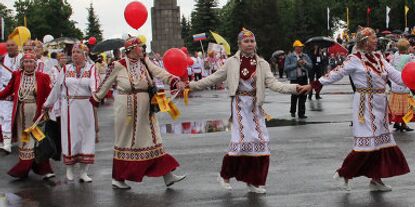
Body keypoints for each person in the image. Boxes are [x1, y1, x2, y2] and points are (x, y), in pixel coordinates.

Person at [187, 28, 302, 194]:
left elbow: (275, 84)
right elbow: (213, 78)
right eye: (246, 41)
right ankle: (224, 175)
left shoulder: (262, 64)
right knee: (241, 142)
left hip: (255, 105)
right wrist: (190, 85)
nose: (250, 44)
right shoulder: (231, 62)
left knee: (260, 141)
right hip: (239, 103)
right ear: (239, 44)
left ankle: (253, 180)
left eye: (252, 41)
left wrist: (295, 88)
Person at [301, 27, 410, 192]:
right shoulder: (354, 59)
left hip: (381, 103)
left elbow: (395, 75)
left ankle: (376, 178)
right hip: (364, 104)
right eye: (373, 38)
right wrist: (314, 84)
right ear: (365, 41)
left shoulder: (379, 57)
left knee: (380, 142)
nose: (376, 40)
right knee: (367, 142)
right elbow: (336, 73)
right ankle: (344, 173)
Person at [91, 36, 186, 189]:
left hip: (146, 107)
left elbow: (159, 72)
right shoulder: (118, 65)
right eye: (140, 47)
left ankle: (167, 175)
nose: (142, 49)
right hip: (126, 108)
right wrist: (95, 100)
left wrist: (175, 81)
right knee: (125, 141)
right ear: (132, 49)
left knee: (154, 139)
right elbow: (105, 84)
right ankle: (118, 178)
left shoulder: (145, 62)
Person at [43, 43, 98, 183]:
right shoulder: (66, 69)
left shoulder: (91, 68)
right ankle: (69, 168)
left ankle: (84, 172)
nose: (74, 54)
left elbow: (95, 85)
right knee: (71, 136)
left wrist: (96, 94)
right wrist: (48, 104)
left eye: (78, 52)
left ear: (84, 54)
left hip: (86, 106)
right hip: (69, 107)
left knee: (86, 136)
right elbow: (56, 88)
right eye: (73, 52)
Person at [0, 51, 55, 179]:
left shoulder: (42, 77)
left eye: (31, 62)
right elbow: (8, 90)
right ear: (22, 64)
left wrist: (48, 107)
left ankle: (42, 169)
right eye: (26, 62)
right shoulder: (17, 75)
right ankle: (26, 168)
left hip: (37, 115)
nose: (29, 64)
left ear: (35, 64)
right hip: (21, 115)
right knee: (25, 140)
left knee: (38, 140)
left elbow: (51, 95)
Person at [388, 39, 415, 132]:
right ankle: (404, 124)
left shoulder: (394, 56)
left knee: (396, 105)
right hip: (404, 83)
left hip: (395, 83)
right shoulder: (408, 57)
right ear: (406, 48)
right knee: (406, 105)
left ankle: (396, 123)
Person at [284, 40, 312, 119]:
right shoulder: (289, 56)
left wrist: (305, 63)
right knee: (294, 95)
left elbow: (311, 66)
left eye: (301, 47)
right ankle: (293, 111)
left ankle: (301, 113)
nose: (300, 48)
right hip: (294, 78)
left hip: (304, 78)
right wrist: (296, 64)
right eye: (299, 47)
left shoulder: (305, 56)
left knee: (303, 96)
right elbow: (286, 68)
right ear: (295, 47)